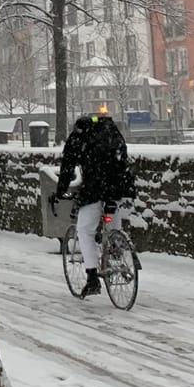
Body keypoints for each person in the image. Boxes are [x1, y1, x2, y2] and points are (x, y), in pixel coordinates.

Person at [50, 109, 138, 297]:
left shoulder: (78, 138)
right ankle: (118, 249)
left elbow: (67, 167)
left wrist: (61, 190)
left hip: (95, 188)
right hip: (119, 185)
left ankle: (92, 278)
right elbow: (122, 158)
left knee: (85, 231)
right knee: (112, 217)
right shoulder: (111, 130)